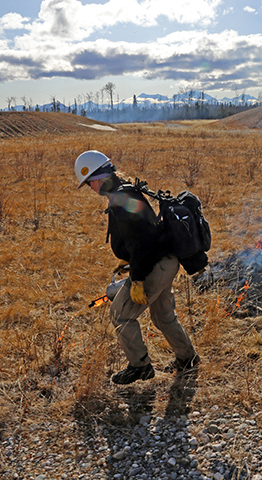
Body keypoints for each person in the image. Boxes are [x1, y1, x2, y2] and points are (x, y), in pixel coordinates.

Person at [74, 150, 200, 384]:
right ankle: (188, 358)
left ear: (97, 178)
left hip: (154, 266)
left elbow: (142, 242)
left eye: (88, 183)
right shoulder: (124, 191)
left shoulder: (121, 199)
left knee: (120, 315)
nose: (90, 189)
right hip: (166, 261)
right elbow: (142, 234)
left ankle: (139, 366)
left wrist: (138, 280)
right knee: (163, 317)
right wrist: (127, 259)